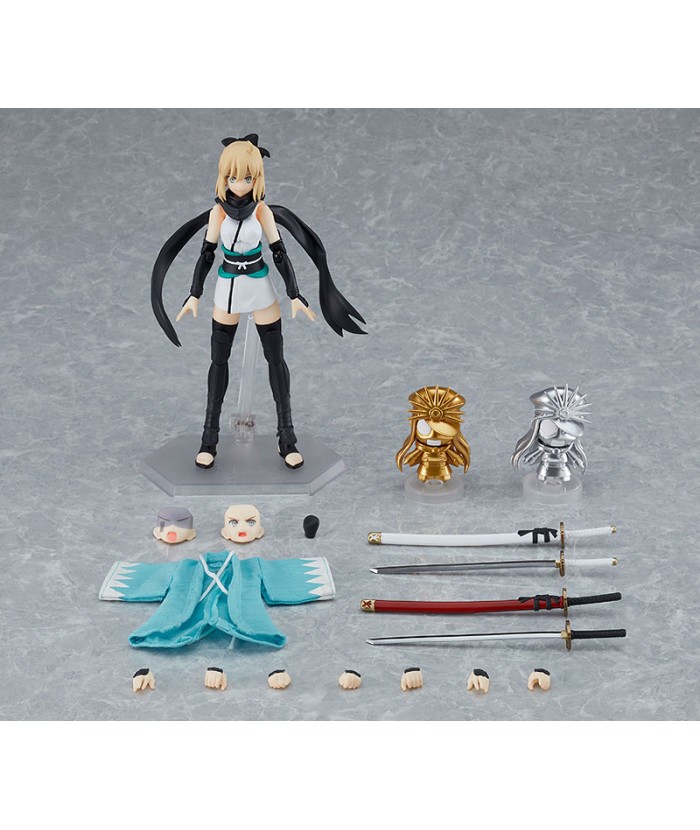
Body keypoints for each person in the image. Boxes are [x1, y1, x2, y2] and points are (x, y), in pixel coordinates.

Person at [151, 135, 365, 471]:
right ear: (224, 177)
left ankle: (287, 438)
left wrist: (294, 293)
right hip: (227, 289)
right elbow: (206, 254)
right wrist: (194, 293)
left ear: (257, 178)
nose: (239, 184)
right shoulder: (217, 213)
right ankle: (209, 439)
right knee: (218, 362)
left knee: (275, 360)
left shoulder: (262, 211)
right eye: (233, 177)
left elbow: (279, 252)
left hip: (259, 286)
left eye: (247, 177)